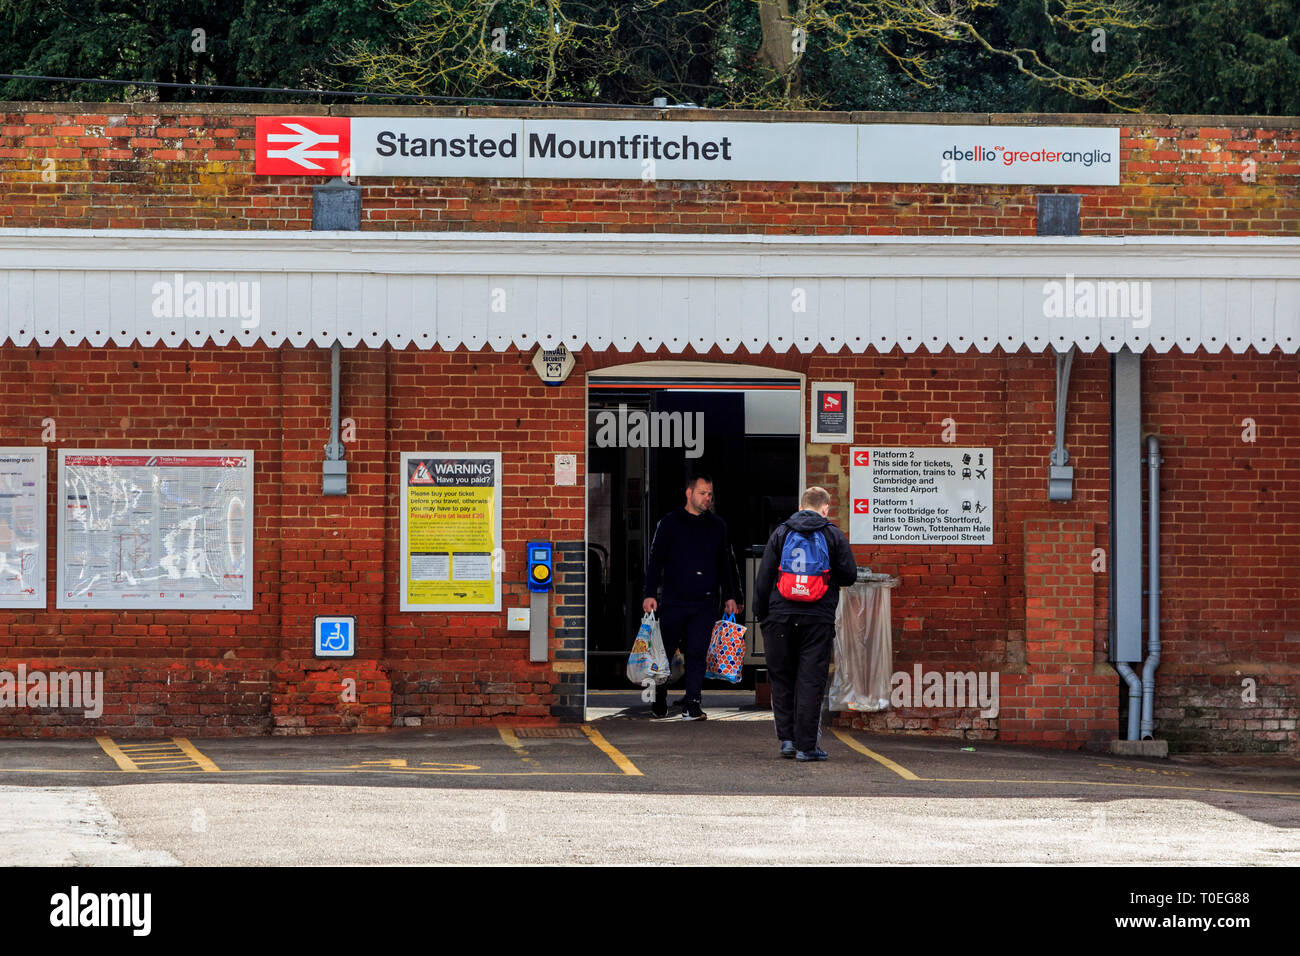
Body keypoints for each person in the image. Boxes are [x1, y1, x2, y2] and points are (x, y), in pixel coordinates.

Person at [753, 486, 857, 761]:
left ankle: (787, 740)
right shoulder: (832, 533)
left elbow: (764, 578)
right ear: (825, 508)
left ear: (801, 506)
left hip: (780, 618)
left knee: (782, 678)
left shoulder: (782, 532)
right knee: (810, 681)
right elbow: (849, 575)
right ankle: (806, 747)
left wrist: (762, 615)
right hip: (817, 618)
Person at [642, 474, 742, 721]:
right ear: (689, 493)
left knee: (698, 652)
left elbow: (725, 563)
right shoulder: (669, 523)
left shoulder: (718, 526)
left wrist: (731, 595)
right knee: (663, 652)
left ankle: (693, 704)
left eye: (710, 494)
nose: (707, 498)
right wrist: (649, 594)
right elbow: (655, 562)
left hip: (704, 601)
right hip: (674, 599)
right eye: (702, 493)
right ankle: (658, 700)